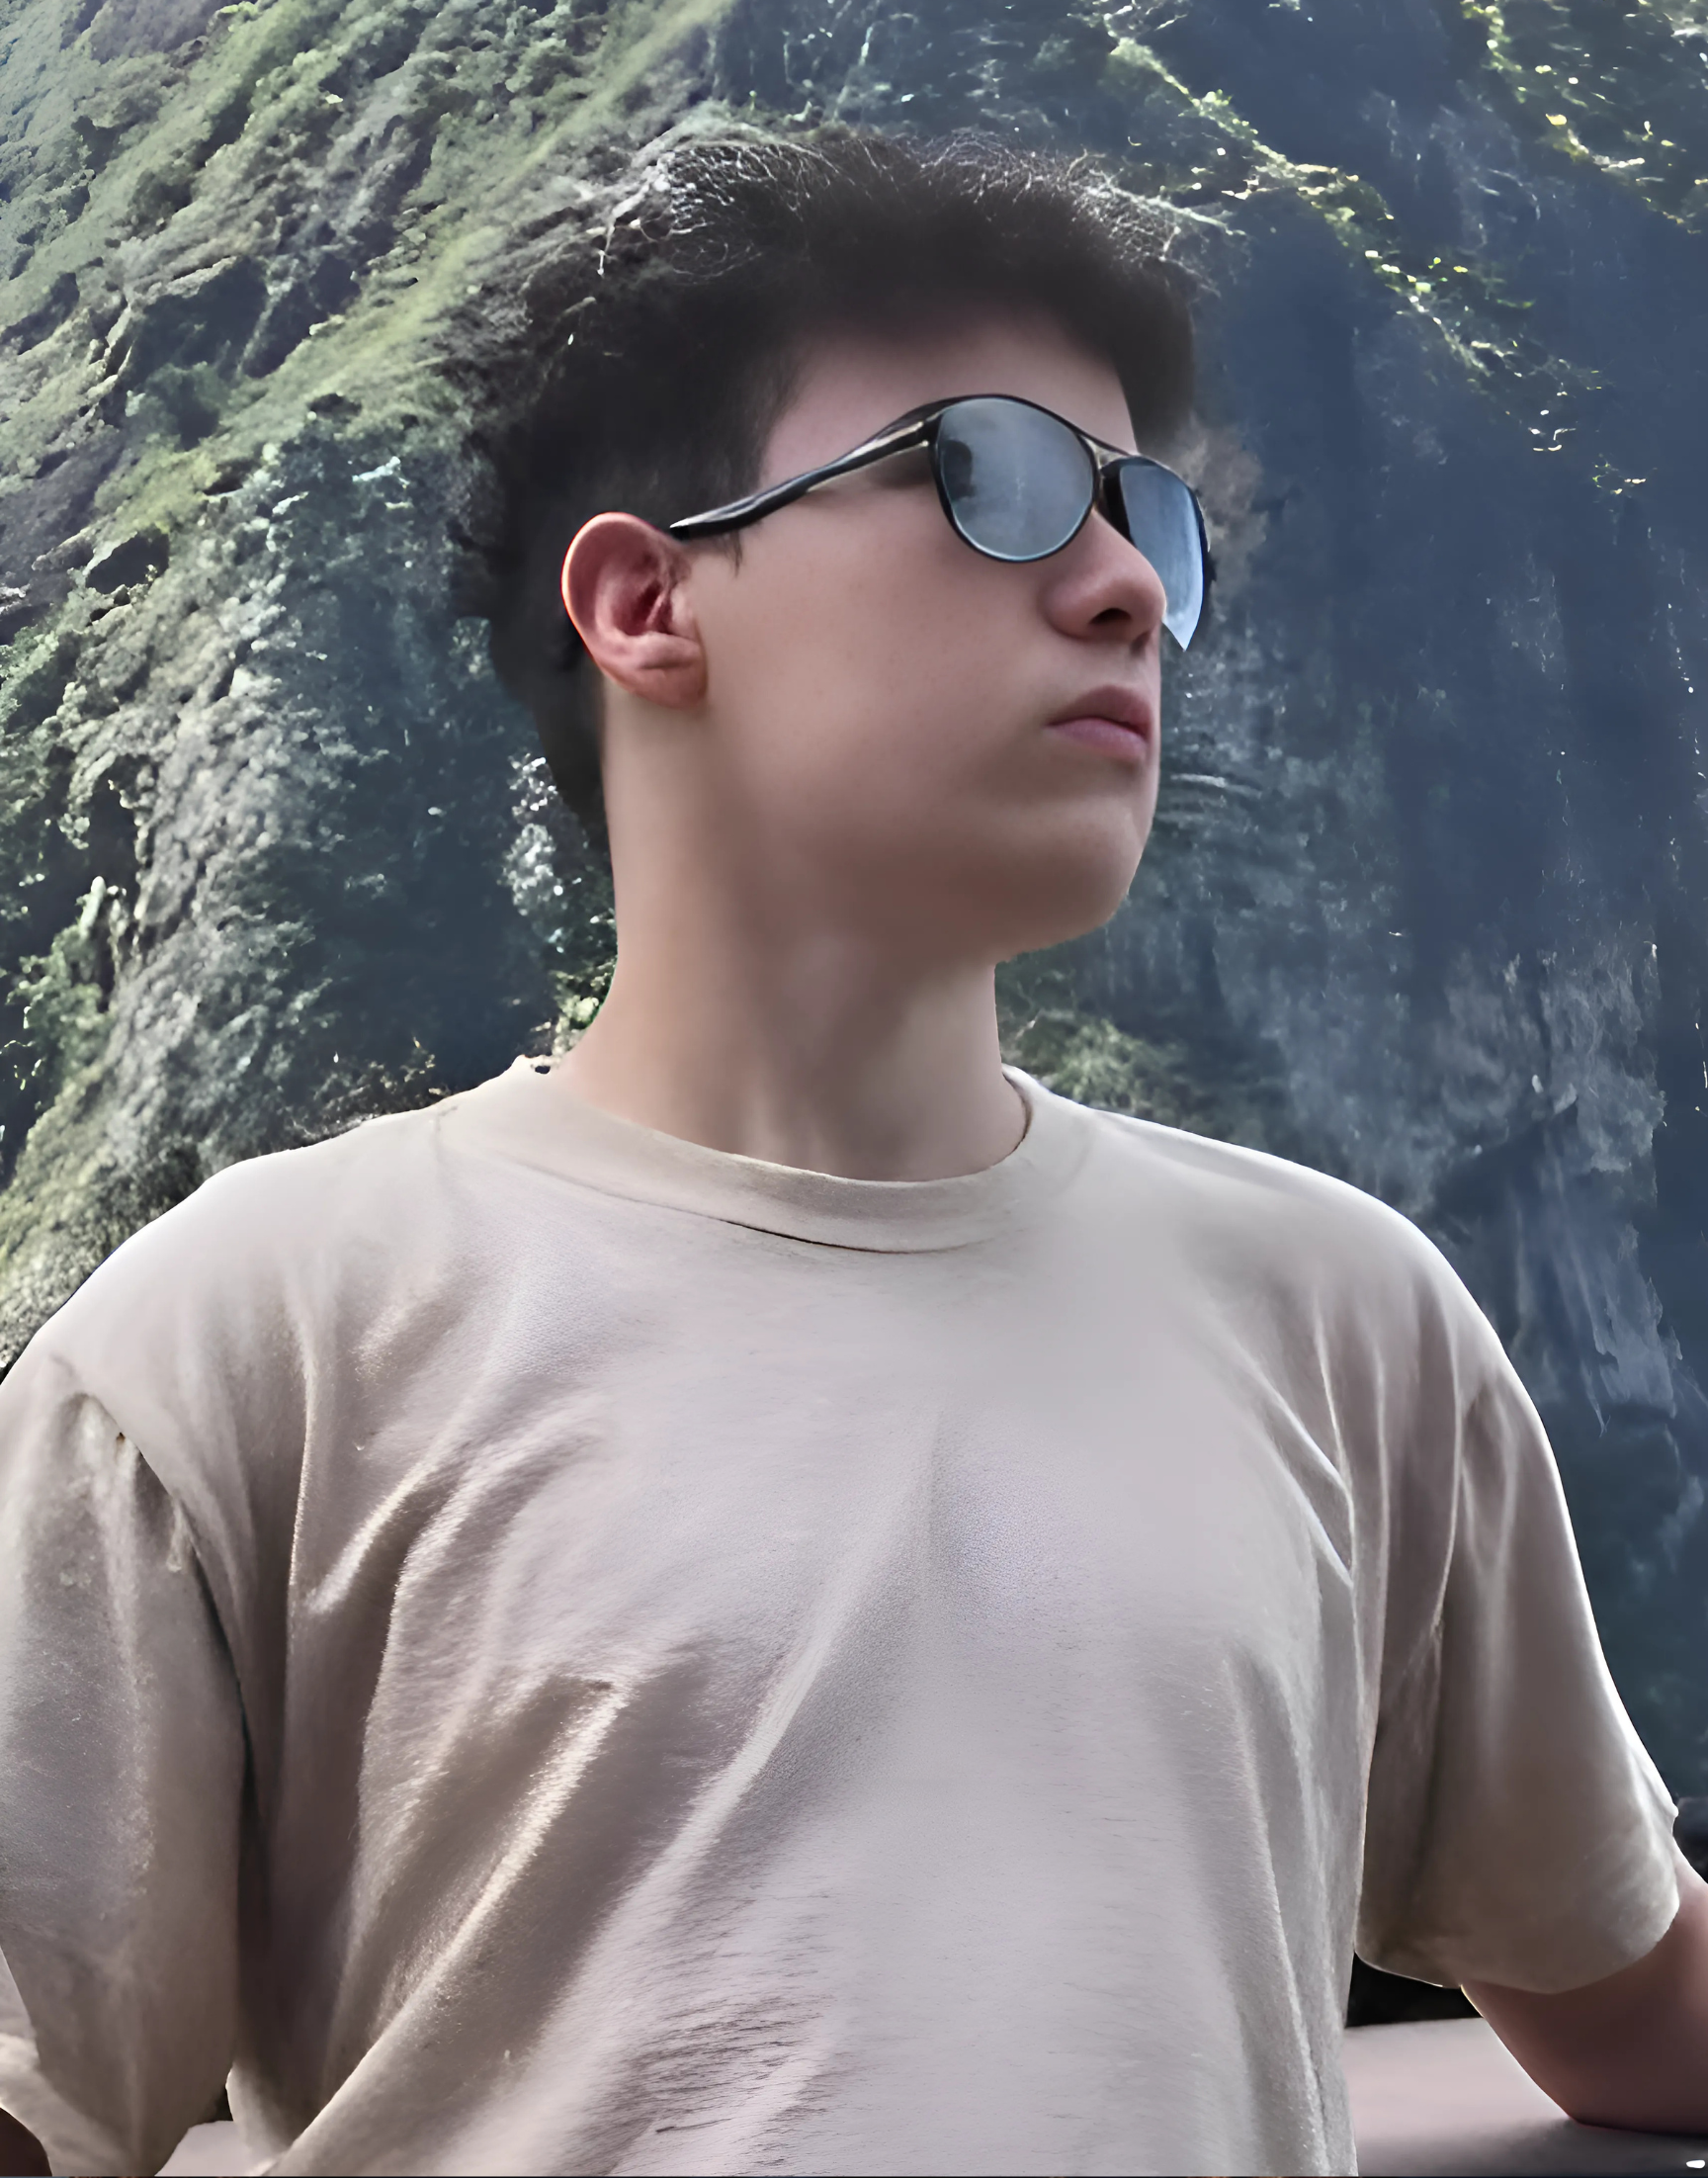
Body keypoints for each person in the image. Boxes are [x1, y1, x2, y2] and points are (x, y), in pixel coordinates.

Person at [0, 129, 1702, 2178]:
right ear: (646, 604)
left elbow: (1630, 1994)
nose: (1126, 590)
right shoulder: (241, 1346)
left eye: (1148, 519)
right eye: (989, 479)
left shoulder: (1346, 1320)